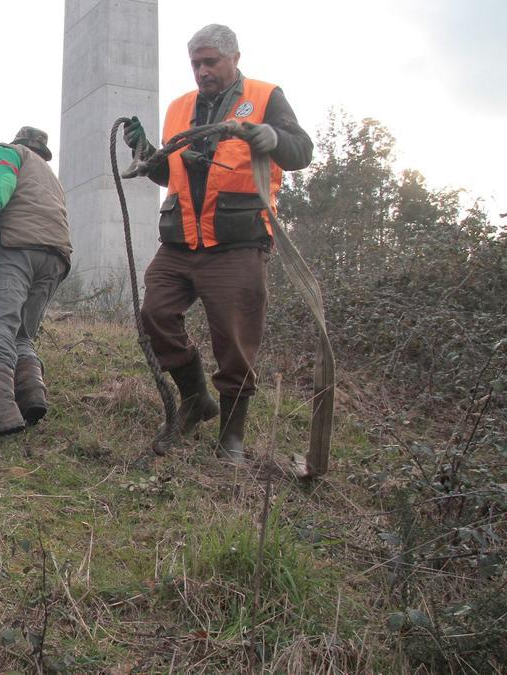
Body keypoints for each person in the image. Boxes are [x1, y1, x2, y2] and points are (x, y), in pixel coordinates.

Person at [122, 24, 314, 463]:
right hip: (181, 240)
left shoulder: (266, 97)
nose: (202, 71)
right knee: (154, 314)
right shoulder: (179, 107)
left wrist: (274, 138)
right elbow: (169, 173)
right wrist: (146, 150)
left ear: (234, 58)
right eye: (195, 64)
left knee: (234, 338)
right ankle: (196, 401)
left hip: (237, 243)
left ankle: (231, 437)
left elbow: (302, 151)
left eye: (210, 62)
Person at [0, 127, 71, 440]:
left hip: (16, 248)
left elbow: (1, 177)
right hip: (55, 257)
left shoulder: (10, 152)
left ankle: (0, 407)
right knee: (22, 335)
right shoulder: (49, 175)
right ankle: (31, 395)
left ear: (19, 141)